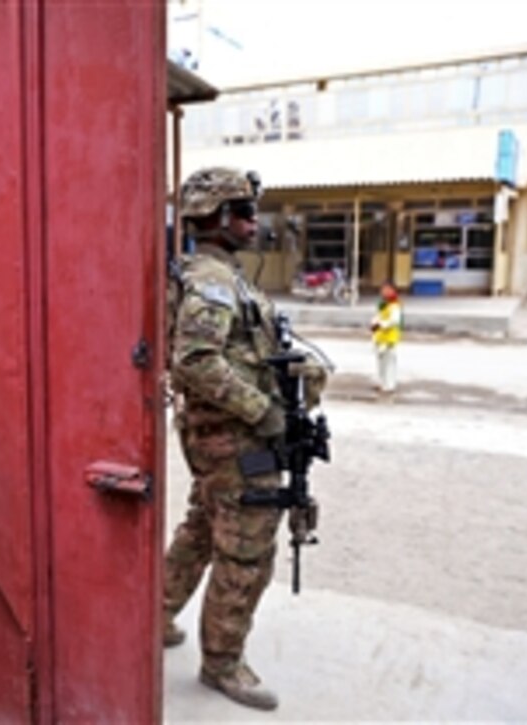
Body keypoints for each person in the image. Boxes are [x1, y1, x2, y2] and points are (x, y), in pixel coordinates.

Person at [163, 166, 326, 711]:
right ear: (214, 218)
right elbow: (194, 360)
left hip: (225, 438)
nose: (253, 221)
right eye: (243, 211)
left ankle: (155, 617)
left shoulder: (224, 276)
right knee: (246, 555)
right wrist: (264, 411)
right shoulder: (212, 281)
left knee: (202, 531)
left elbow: (239, 352)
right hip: (237, 441)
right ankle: (222, 664)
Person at [371, 282, 403, 394]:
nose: (384, 291)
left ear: (393, 291)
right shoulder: (383, 304)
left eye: (387, 289)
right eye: (383, 289)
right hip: (380, 337)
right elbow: (377, 315)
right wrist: (374, 323)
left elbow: (394, 320)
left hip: (389, 338)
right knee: (381, 362)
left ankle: (389, 385)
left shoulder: (395, 305)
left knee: (389, 363)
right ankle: (382, 383)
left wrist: (381, 324)